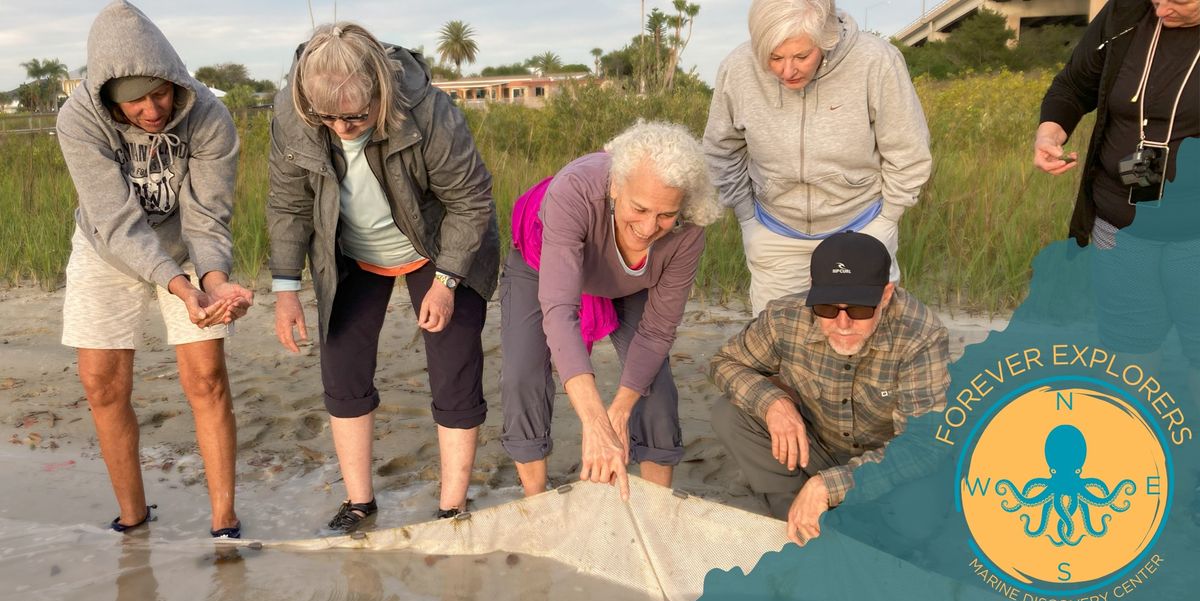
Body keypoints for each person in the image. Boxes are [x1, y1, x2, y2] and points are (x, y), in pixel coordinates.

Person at [267, 23, 499, 532]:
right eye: (329, 118)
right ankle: (359, 502)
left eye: (355, 116)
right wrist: (286, 290)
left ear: (381, 90)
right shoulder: (292, 113)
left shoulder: (430, 111)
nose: (343, 129)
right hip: (350, 248)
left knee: (454, 362)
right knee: (342, 365)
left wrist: (447, 282)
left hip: (438, 247)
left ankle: (452, 507)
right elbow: (288, 205)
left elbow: (469, 201)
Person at [56, 0, 252, 538]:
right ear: (108, 98)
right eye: (135, 102)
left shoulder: (209, 114)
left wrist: (211, 283)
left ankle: (224, 521)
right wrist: (175, 284)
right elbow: (116, 224)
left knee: (206, 377)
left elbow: (208, 216)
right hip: (107, 246)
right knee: (102, 383)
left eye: (160, 93)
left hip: (187, 247)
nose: (151, 110)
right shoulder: (77, 119)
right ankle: (133, 519)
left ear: (174, 81)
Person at [500, 121, 720, 500]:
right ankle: (536, 498)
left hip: (628, 281)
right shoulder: (575, 191)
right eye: (639, 208)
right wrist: (595, 422)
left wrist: (618, 410)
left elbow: (656, 331)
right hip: (543, 262)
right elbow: (560, 311)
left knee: (656, 385)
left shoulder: (689, 230)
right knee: (523, 371)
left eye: (666, 214)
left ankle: (656, 505)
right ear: (616, 186)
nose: (650, 227)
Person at [708, 232, 949, 545]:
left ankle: (852, 522)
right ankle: (793, 514)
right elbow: (724, 363)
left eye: (860, 310)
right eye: (827, 308)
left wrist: (829, 485)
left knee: (917, 518)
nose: (843, 323)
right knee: (730, 414)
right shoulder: (785, 317)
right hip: (819, 447)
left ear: (886, 295)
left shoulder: (921, 335)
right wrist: (773, 403)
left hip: (885, 465)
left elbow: (924, 445)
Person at [704, 0, 931, 315]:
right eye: (774, 57)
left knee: (862, 334)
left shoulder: (876, 60)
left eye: (801, 56)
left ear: (826, 40)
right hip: (774, 231)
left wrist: (887, 220)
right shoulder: (737, 68)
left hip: (862, 226)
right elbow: (721, 149)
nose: (787, 70)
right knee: (777, 342)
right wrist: (747, 218)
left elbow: (909, 151)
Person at [1034, 0, 1200, 384]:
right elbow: (1074, 85)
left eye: (1180, 1)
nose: (1161, 10)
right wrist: (1049, 133)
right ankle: (1140, 436)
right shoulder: (1126, 11)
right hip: (1119, 224)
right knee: (1129, 344)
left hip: (1194, 233)